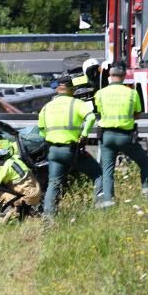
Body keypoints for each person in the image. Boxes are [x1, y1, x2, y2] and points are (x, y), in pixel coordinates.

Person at [37, 74, 101, 217]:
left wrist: (50, 138)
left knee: (54, 184)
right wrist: (84, 135)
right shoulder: (77, 104)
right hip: (72, 150)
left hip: (53, 150)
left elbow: (41, 129)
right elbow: (91, 118)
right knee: (98, 174)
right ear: (71, 89)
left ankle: (48, 217)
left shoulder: (47, 107)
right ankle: (101, 206)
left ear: (57, 90)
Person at [93, 62, 148, 206]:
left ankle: (108, 202)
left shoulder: (100, 94)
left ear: (110, 75)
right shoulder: (132, 93)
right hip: (125, 137)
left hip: (106, 136)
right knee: (145, 163)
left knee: (107, 170)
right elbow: (138, 114)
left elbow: (99, 112)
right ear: (124, 76)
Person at [0, 137, 41, 209]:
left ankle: (12, 211)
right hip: (37, 193)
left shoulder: (0, 168)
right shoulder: (15, 158)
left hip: (28, 198)